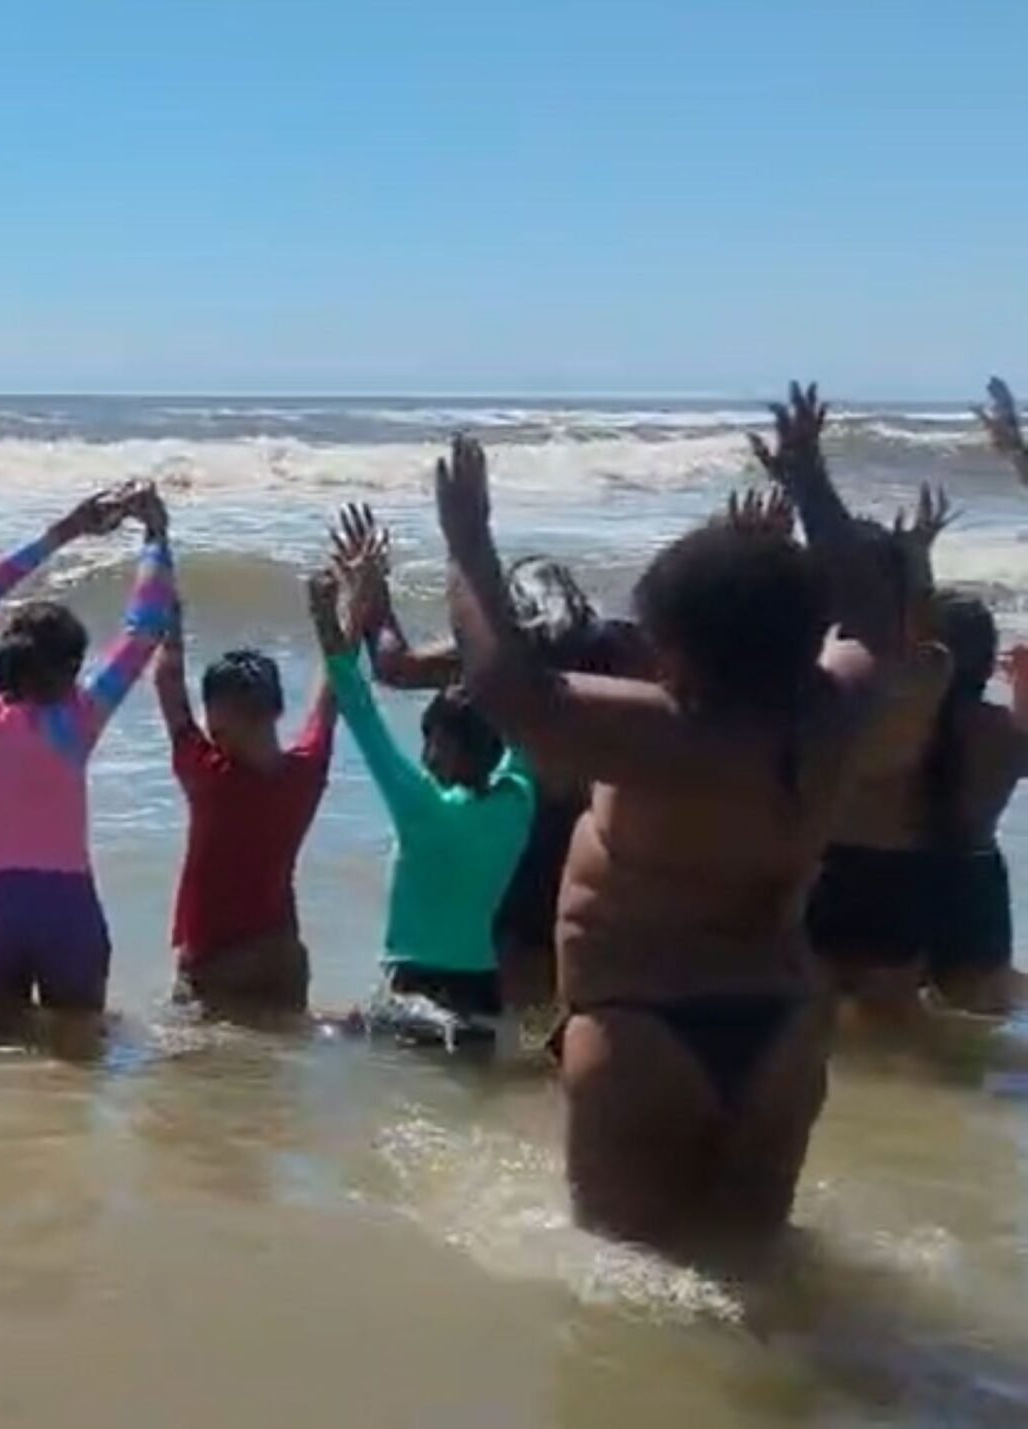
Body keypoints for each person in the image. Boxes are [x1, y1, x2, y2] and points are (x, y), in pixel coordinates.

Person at [438, 390, 906, 1250]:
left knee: (625, 1297)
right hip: (786, 1027)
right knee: (759, 1265)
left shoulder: (659, 733)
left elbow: (510, 689)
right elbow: (878, 616)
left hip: (644, 1030)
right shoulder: (838, 710)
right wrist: (810, 484)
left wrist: (468, 541)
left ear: (681, 652)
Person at [331, 504, 644, 1011]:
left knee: (511, 1004)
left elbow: (395, 665)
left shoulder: (500, 657)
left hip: (511, 842)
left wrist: (375, 591)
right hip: (595, 840)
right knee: (579, 996)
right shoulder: (620, 648)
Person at [0, 483, 173, 1012]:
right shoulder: (78, 720)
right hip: (67, 911)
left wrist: (66, 531)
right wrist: (156, 536)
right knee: (75, 1073)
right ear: (71, 669)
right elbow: (145, 630)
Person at [316, 557, 533, 1035]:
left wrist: (324, 618)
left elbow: (359, 709)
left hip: (415, 990)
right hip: (484, 991)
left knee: (325, 1036)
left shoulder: (420, 807)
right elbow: (525, 719)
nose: (427, 755)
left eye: (434, 741)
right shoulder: (519, 800)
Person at [799, 488, 953, 1025]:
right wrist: (917, 557)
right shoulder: (929, 665)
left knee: (814, 1029)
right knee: (893, 1029)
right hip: (895, 864)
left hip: (824, 859)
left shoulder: (814, 662)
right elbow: (921, 619)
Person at [157, 584, 334, 1016]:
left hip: (215, 964)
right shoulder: (305, 773)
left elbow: (167, 683)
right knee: (274, 1070)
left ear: (220, 719)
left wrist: (169, 621)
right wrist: (337, 615)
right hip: (283, 957)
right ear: (274, 710)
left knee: (198, 1073)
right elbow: (331, 694)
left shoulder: (210, 775)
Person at [910, 593, 1023, 1013]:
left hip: (902, 870)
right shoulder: (1000, 730)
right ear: (990, 660)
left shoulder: (901, 727)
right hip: (974, 881)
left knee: (888, 1016)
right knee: (979, 1019)